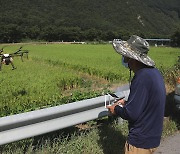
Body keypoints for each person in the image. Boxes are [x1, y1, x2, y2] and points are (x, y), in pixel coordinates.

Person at [107, 35, 166, 154]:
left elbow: (132, 113)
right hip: (152, 138)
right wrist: (128, 102)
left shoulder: (141, 77)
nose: (123, 58)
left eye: (125, 56)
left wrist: (116, 109)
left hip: (140, 142)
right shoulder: (154, 73)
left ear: (132, 58)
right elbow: (148, 102)